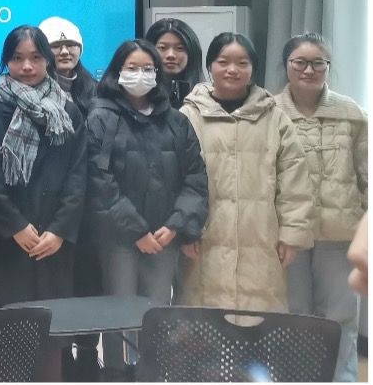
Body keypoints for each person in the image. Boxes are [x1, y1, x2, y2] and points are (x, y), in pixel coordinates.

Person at [86, 39, 208, 377]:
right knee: (119, 317)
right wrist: (136, 230)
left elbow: (195, 177)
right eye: (132, 68)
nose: (140, 75)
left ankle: (151, 377)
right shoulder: (100, 117)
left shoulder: (176, 121)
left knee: (156, 316)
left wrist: (176, 225)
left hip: (164, 237)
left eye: (147, 69)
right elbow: (98, 181)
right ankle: (116, 375)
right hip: (118, 239)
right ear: (117, 72)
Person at [179, 32, 312, 312]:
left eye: (242, 63)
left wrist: (292, 234)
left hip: (261, 237)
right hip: (205, 236)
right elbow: (176, 179)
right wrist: (185, 229)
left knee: (258, 319)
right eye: (223, 62)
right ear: (209, 66)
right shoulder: (189, 116)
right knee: (205, 320)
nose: (232, 69)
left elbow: (295, 180)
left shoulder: (274, 117)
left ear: (253, 69)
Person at [0, 25, 87, 310]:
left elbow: (78, 176)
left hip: (52, 239)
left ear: (47, 59)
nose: (26, 66)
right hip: (4, 238)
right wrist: (16, 226)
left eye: (36, 57)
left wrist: (59, 230)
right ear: (6, 62)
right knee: (4, 324)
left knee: (53, 322)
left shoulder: (67, 112)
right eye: (17, 58)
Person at [277, 33, 366, 381]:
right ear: (286, 65)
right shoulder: (270, 112)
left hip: (340, 234)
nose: (308, 70)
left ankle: (341, 378)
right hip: (288, 236)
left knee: (340, 316)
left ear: (328, 67)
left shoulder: (351, 113)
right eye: (300, 62)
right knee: (294, 314)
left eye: (318, 63)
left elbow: (367, 174)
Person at [38, 15, 99, 373]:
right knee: (57, 285)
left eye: (71, 44)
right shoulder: (32, 92)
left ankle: (89, 354)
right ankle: (61, 357)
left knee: (90, 282)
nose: (64, 51)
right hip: (51, 209)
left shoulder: (98, 91)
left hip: (91, 207)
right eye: (56, 45)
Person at [144, 18, 205, 109]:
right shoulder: (139, 97)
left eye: (179, 48)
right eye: (162, 48)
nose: (171, 55)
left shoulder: (205, 97)